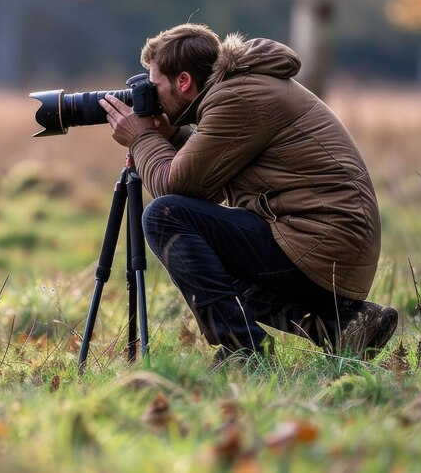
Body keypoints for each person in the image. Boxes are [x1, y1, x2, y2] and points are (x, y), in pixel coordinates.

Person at [99, 24, 397, 362]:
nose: (149, 97)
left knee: (164, 216)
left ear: (183, 81)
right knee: (201, 245)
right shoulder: (240, 89)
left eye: (154, 86)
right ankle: (342, 326)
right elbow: (202, 190)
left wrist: (142, 139)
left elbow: (174, 189)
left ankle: (243, 351)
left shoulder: (237, 97)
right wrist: (172, 137)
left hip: (320, 244)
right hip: (328, 244)